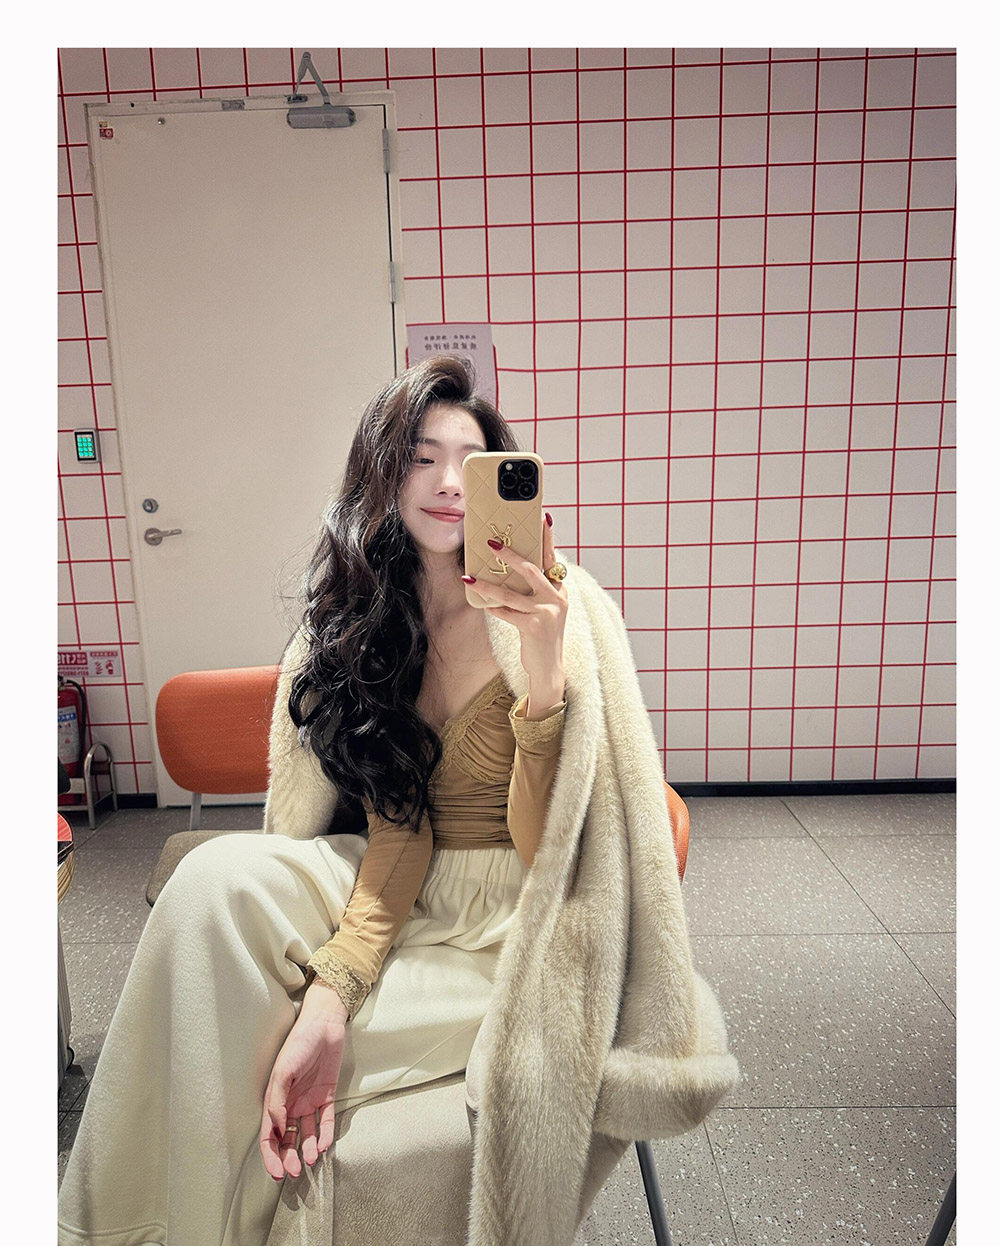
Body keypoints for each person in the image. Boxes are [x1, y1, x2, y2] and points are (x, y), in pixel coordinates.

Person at [57, 355, 572, 1245]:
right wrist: (337, 988)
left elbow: (548, 843)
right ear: (382, 473)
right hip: (392, 876)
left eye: (473, 462)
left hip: (511, 912)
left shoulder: (559, 611)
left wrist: (545, 674)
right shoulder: (368, 625)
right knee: (211, 883)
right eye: (420, 458)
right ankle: (111, 1229)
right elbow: (398, 831)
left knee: (242, 1038)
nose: (450, 483)